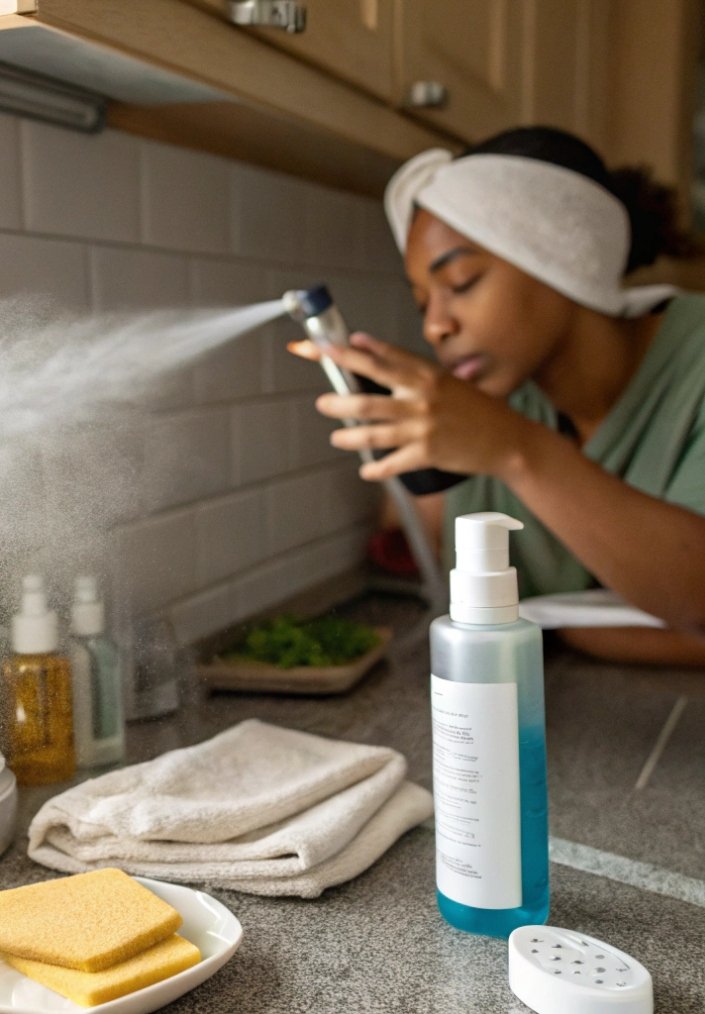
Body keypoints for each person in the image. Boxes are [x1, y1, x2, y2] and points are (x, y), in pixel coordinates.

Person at [290, 126, 705, 666]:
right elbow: (425, 554)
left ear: (563, 260)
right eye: (422, 303)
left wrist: (514, 448)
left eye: (460, 282)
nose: (436, 325)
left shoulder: (690, 364)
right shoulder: (497, 393)